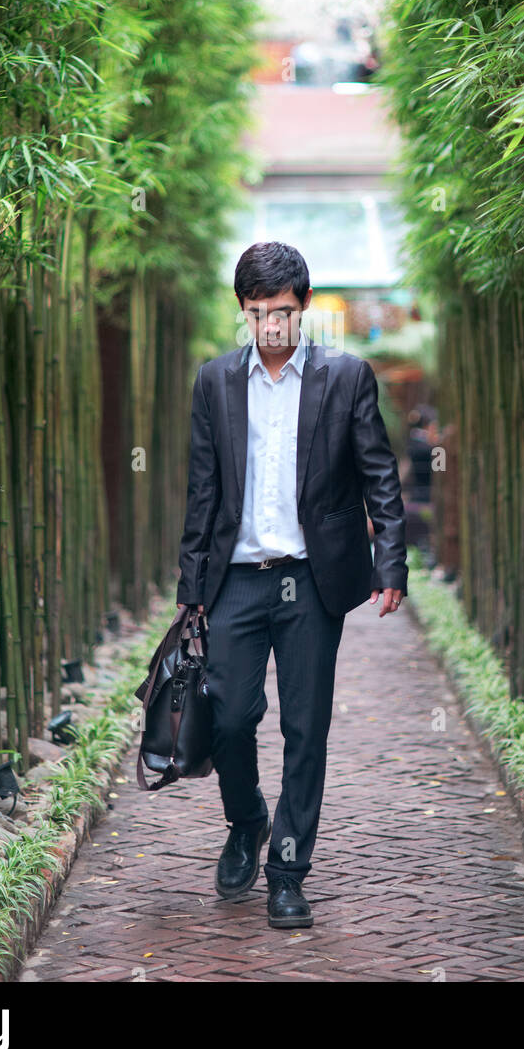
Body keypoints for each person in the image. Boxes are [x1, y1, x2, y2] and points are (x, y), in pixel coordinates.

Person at [175, 241, 408, 929]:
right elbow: (202, 492)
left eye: (280, 312)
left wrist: (390, 564)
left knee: (307, 729)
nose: (270, 326)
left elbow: (380, 476)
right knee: (232, 716)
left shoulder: (345, 376)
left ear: (303, 306)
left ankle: (287, 871)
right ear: (243, 313)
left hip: (311, 580)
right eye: (256, 314)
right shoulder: (215, 381)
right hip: (237, 580)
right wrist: (191, 587)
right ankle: (245, 819)